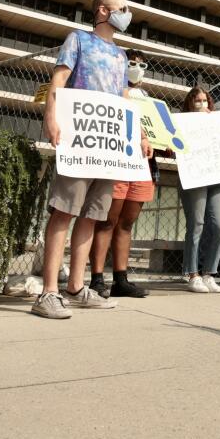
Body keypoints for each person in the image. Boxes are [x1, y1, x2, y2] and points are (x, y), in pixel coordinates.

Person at [34, 0, 151, 319]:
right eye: (122, 7)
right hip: (80, 136)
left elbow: (124, 96)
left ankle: (76, 286)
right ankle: (48, 292)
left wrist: (138, 133)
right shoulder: (78, 40)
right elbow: (59, 78)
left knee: (92, 214)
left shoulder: (121, 54)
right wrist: (50, 116)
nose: (127, 13)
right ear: (103, 10)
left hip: (109, 141)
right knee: (64, 210)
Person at [88, 49, 156, 299]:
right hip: (116, 160)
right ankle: (96, 278)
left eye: (141, 63)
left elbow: (156, 129)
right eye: (131, 63)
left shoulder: (147, 99)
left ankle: (121, 279)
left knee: (127, 222)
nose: (136, 67)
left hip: (141, 164)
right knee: (108, 220)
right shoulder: (109, 87)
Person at [178, 87, 220, 293]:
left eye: (205, 101)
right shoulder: (180, 122)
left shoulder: (215, 122)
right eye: (197, 101)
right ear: (189, 104)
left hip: (215, 176)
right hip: (194, 176)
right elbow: (173, 146)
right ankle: (192, 274)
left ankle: (209, 273)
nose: (201, 105)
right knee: (196, 224)